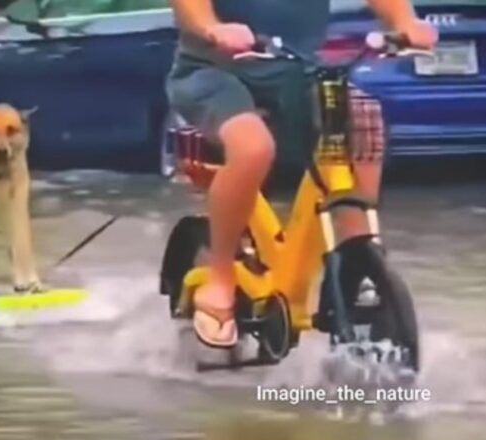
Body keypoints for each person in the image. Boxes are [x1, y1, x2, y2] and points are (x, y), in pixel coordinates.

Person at [166, 0, 438, 347]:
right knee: (253, 149)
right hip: (216, 71)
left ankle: (358, 259)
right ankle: (219, 277)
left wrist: (405, 21)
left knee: (363, 118)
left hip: (298, 73)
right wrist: (213, 28)